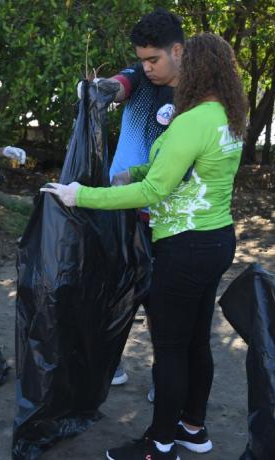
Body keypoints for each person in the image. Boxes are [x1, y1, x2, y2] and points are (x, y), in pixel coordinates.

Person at [43, 33, 246, 460]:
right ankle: (193, 428)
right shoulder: (223, 116)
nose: (169, 70)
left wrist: (83, 196)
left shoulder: (191, 121)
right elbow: (177, 170)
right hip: (216, 240)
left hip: (184, 245)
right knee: (195, 342)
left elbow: (155, 190)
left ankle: (158, 444)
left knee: (171, 347)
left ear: (197, 68)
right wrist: (130, 172)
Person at [82, 8, 184, 387]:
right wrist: (101, 90)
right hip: (120, 206)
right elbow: (120, 83)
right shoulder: (140, 76)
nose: (147, 68)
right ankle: (113, 362)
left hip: (164, 213)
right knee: (114, 286)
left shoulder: (192, 96)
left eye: (154, 59)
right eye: (142, 60)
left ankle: (163, 375)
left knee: (159, 299)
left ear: (178, 51)